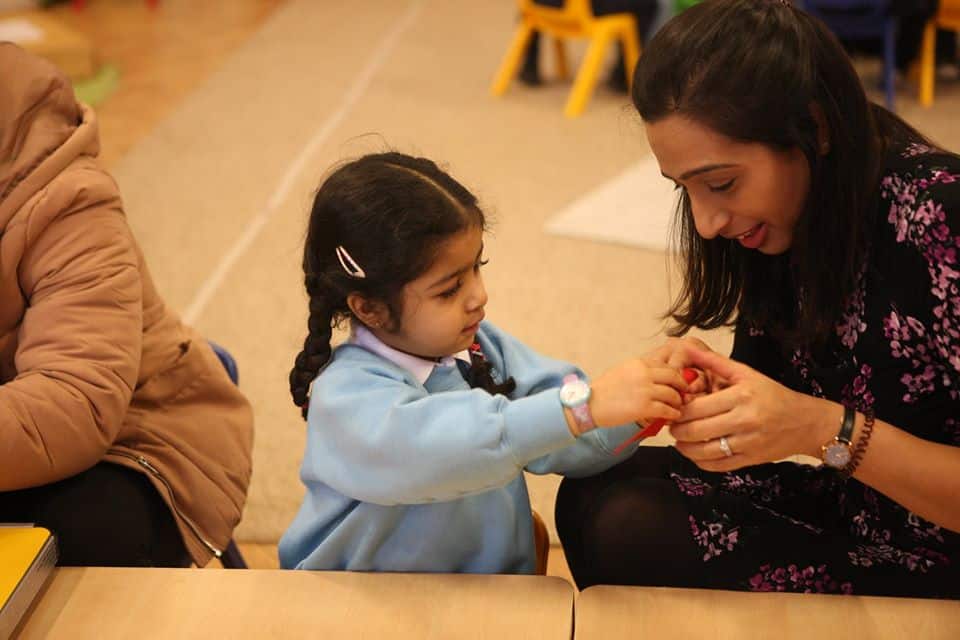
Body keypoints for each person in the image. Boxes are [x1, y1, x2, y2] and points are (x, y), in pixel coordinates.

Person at [556, 0, 960, 599]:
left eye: (721, 184)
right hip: (863, 505)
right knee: (597, 491)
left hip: (940, 544)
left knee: (630, 531)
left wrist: (825, 428)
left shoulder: (942, 220)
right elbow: (787, 403)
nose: (707, 220)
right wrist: (711, 401)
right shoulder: (790, 218)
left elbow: (816, 424)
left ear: (815, 129)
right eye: (683, 189)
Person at [279, 152, 692, 573]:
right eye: (449, 290)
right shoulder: (344, 398)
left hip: (486, 595)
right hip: (355, 605)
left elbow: (562, 436)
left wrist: (643, 403)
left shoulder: (482, 347)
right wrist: (583, 404)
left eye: (479, 266)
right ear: (369, 308)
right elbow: (449, 447)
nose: (479, 296)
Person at [0, 43, 254, 567]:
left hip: (136, 437)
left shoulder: (67, 198)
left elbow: (76, 400)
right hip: (24, 437)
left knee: (71, 543)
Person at [519, 0, 661, 92]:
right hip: (580, 12)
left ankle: (529, 65)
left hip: (536, 7)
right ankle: (622, 74)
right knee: (648, 4)